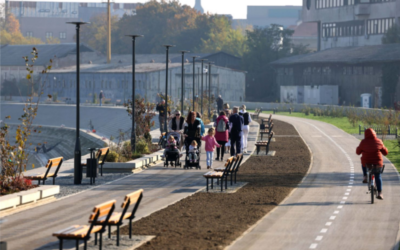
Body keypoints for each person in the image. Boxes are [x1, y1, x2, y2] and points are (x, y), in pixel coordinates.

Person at [356, 128, 388, 200]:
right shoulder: (379, 141)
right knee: (378, 176)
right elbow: (385, 152)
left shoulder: (363, 142)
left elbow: (358, 152)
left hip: (367, 164)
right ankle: (380, 193)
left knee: (363, 162)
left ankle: (365, 176)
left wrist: (360, 149)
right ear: (375, 134)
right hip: (377, 164)